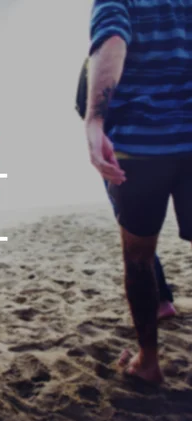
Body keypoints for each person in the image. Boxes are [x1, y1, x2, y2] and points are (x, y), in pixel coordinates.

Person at [85, 0, 192, 384]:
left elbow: (112, 38)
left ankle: (148, 362)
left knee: (139, 256)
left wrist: (95, 119)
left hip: (142, 146)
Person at [75, 57, 177, 320]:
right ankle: (161, 300)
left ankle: (162, 301)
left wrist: (101, 129)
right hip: (176, 141)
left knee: (137, 242)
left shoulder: (99, 57)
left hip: (127, 151)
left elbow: (82, 105)